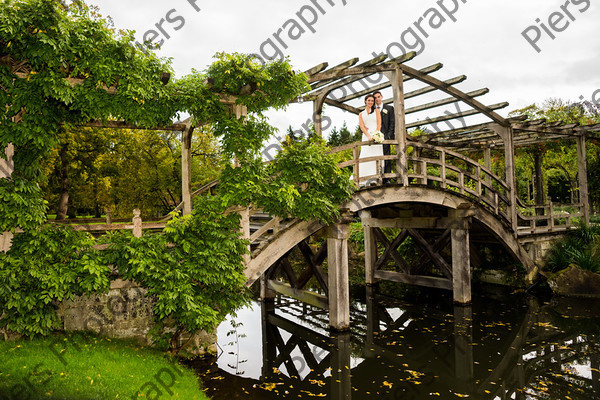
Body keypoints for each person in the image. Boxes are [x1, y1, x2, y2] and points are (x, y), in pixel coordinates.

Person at [357, 94, 382, 186]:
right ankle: (363, 179)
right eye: (369, 100)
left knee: (375, 156)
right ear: (365, 101)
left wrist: (376, 135)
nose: (371, 102)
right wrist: (368, 136)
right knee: (365, 155)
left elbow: (379, 124)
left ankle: (374, 179)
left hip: (376, 135)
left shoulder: (376, 111)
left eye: (372, 101)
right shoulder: (361, 114)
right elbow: (362, 127)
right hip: (366, 136)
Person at [373, 91, 395, 183]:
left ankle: (387, 178)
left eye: (378, 97)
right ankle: (376, 176)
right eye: (375, 98)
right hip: (375, 137)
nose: (377, 99)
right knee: (376, 156)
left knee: (387, 156)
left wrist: (389, 135)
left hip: (386, 136)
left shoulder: (389, 108)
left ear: (381, 97)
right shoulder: (372, 109)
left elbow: (392, 122)